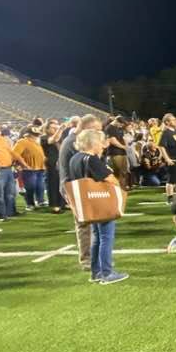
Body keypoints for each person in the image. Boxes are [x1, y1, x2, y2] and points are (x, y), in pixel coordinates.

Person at [67, 129, 128, 285]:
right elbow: (111, 179)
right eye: (100, 142)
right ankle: (107, 273)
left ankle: (96, 272)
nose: (102, 146)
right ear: (92, 143)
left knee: (96, 238)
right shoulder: (91, 159)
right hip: (100, 202)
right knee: (106, 237)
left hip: (88, 203)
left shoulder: (74, 158)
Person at [59, 114, 102, 270]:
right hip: (74, 187)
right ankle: (87, 260)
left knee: (90, 224)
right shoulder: (74, 142)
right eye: (97, 131)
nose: (99, 135)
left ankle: (92, 257)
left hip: (79, 186)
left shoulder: (74, 140)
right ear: (88, 129)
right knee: (84, 224)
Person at [0, 120, 28, 221]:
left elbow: (11, 152)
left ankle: (11, 212)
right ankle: (2, 215)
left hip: (8, 168)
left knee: (10, 192)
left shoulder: (3, 139)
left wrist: (22, 162)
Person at [12, 128, 47, 210]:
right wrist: (24, 163)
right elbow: (15, 153)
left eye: (37, 134)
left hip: (39, 167)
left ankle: (40, 201)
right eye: (34, 134)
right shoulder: (22, 141)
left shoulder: (35, 142)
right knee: (30, 187)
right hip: (29, 168)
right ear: (28, 134)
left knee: (40, 186)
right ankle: (30, 204)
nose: (36, 136)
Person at [43, 121, 67, 212]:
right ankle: (54, 205)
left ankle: (62, 203)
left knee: (61, 183)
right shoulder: (44, 138)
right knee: (53, 184)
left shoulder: (60, 138)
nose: (55, 129)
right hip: (51, 164)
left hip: (60, 163)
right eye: (53, 128)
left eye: (56, 128)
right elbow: (53, 140)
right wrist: (60, 129)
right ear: (47, 129)